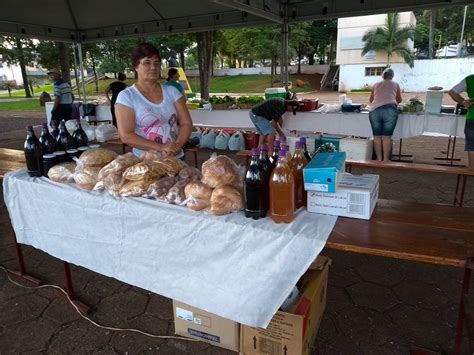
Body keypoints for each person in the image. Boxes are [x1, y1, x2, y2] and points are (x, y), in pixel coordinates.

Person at [115, 43, 192, 159]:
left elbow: (186, 123)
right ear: (136, 67)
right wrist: (161, 148)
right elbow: (126, 135)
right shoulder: (127, 96)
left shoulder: (172, 92)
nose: (153, 67)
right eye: (147, 63)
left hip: (176, 158)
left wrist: (176, 146)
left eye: (157, 63)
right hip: (145, 161)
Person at [368, 68, 402, 161]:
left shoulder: (376, 85)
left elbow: (371, 100)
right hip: (390, 110)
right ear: (392, 76)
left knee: (377, 136)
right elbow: (399, 100)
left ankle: (379, 159)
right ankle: (386, 160)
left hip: (375, 110)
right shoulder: (395, 84)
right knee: (387, 137)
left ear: (383, 76)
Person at [449, 76, 474, 170]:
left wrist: (463, 102)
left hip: (472, 117)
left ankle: (472, 168)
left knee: (472, 146)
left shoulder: (470, 79)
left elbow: (452, 92)